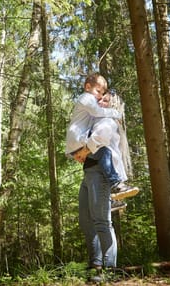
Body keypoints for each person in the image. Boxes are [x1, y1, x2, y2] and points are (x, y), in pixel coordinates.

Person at [77, 92, 133, 281]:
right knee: (86, 220)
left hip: (100, 174)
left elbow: (98, 139)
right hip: (89, 173)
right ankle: (96, 265)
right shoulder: (96, 120)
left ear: (113, 105)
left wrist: (83, 151)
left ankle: (110, 270)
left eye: (105, 99)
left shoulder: (108, 121)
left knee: (102, 221)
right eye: (99, 99)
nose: (100, 101)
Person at [65, 73, 138, 200]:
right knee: (105, 153)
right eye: (98, 92)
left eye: (103, 95)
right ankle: (115, 183)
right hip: (78, 138)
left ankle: (115, 195)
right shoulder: (86, 98)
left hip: (78, 141)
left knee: (104, 153)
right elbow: (97, 112)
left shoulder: (94, 108)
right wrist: (115, 113)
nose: (99, 97)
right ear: (87, 87)